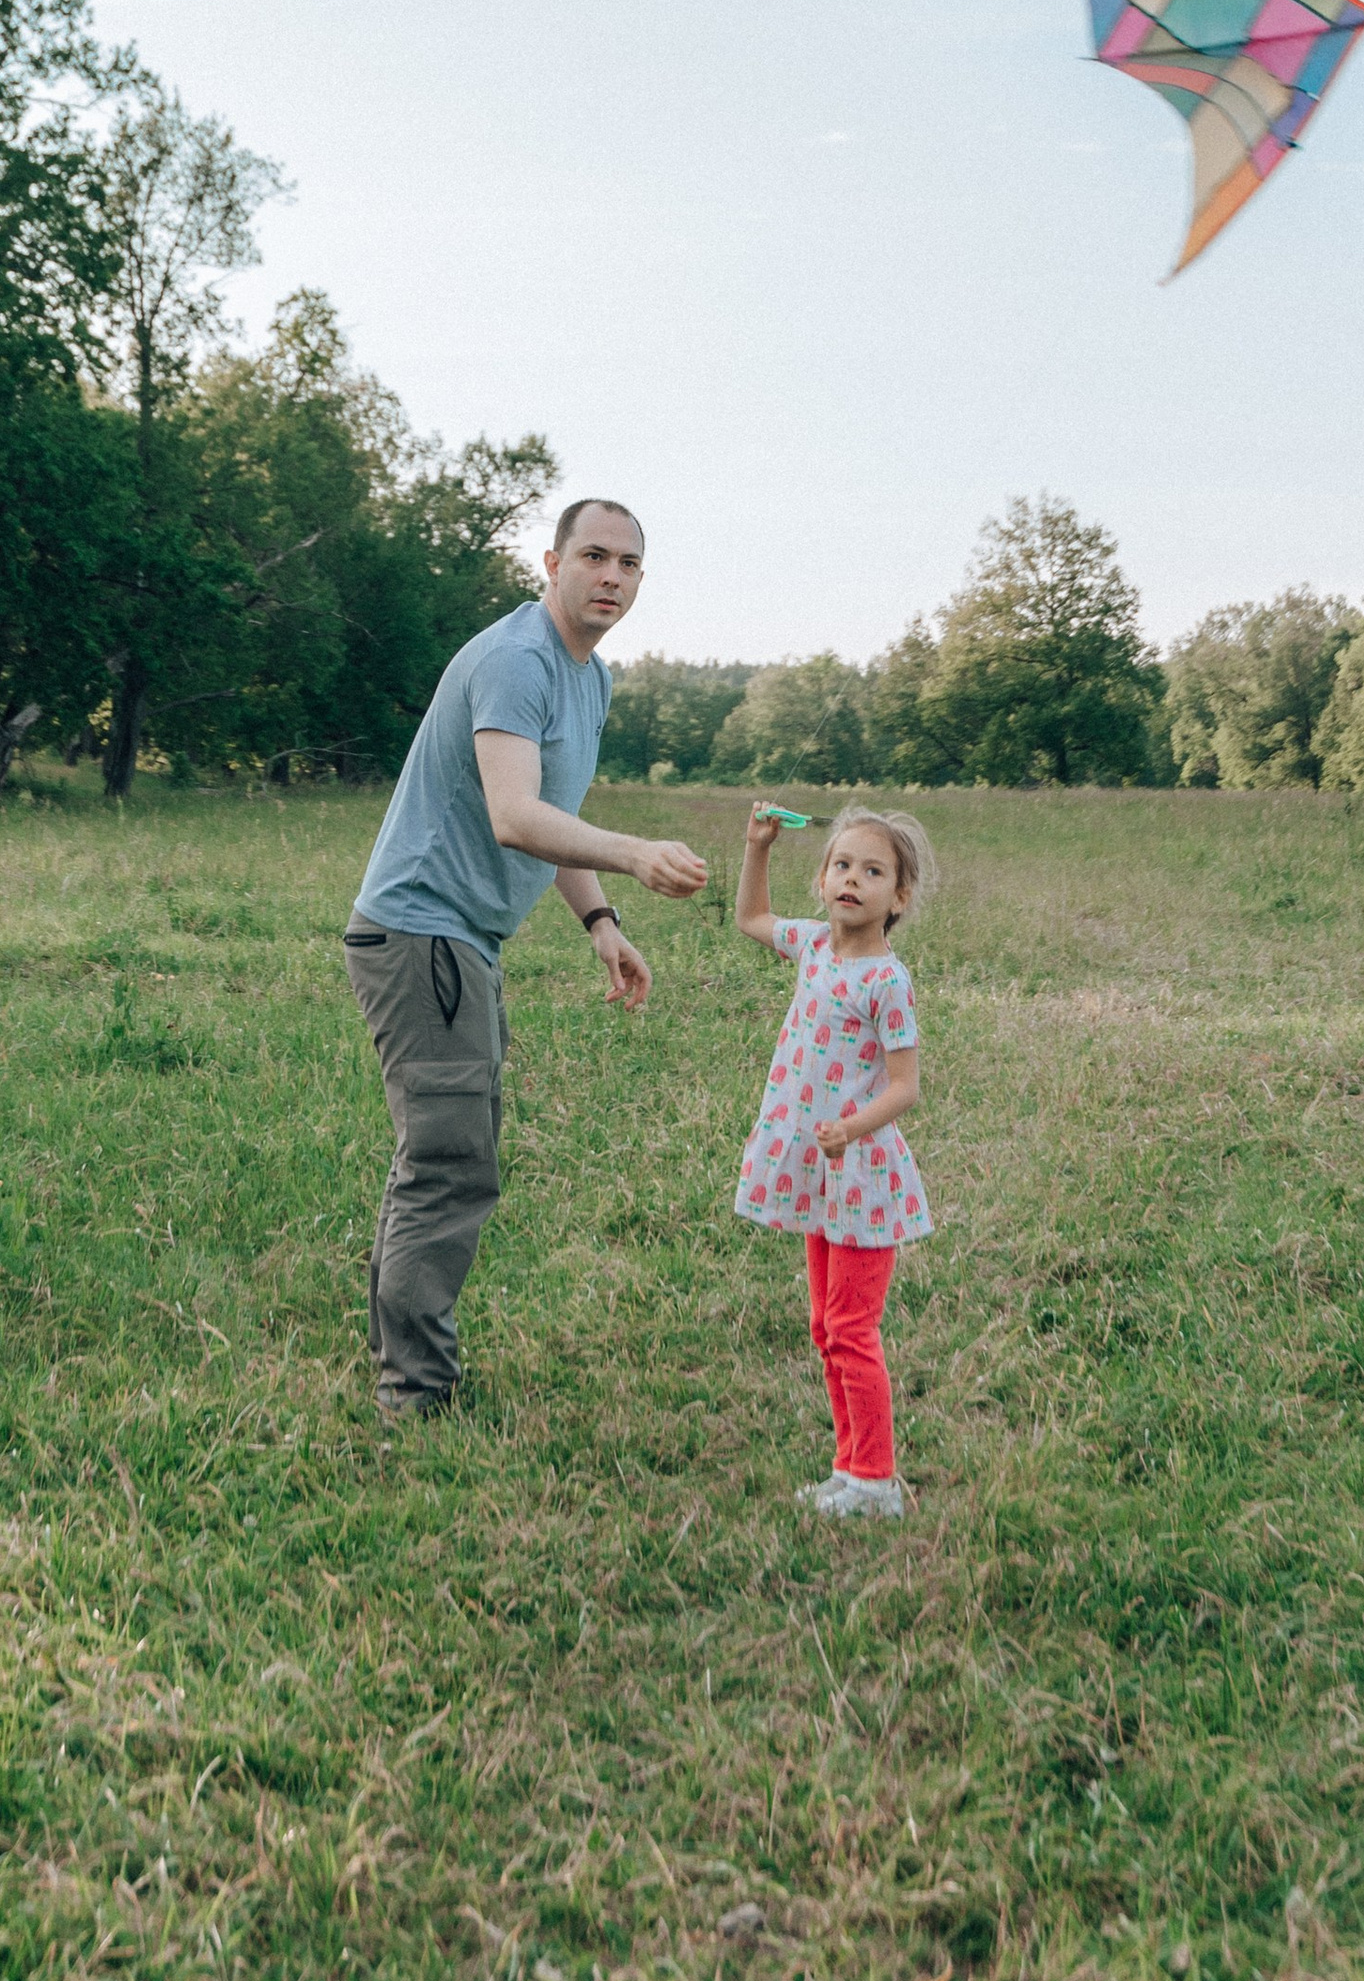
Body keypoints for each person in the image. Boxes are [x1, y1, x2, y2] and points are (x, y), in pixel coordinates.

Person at [341, 498, 709, 1419]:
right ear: (551, 562)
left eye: (630, 564)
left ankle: (403, 1364)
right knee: (451, 1162)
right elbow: (513, 815)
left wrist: (602, 921)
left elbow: (549, 825)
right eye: (594, 556)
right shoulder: (516, 661)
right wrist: (633, 851)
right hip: (423, 933)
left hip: (459, 939)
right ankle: (414, 1395)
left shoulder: (591, 679)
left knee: (443, 1153)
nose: (613, 577)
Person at [732, 801, 936, 1520]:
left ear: (898, 897)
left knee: (852, 1329)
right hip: (822, 1174)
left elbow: (906, 1086)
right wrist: (758, 849)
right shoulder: (815, 947)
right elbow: (752, 920)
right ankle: (848, 1471)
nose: (853, 879)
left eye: (873, 871)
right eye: (842, 865)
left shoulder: (887, 981)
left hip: (862, 1179)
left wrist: (852, 1127)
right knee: (825, 1327)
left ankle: (875, 1482)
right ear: (821, 881)